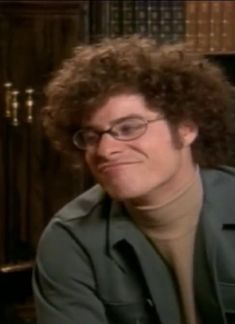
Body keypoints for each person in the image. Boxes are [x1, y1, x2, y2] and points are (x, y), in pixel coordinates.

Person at [33, 35, 235, 324]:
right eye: (92, 136)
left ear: (186, 128)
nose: (104, 150)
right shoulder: (69, 240)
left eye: (128, 128)